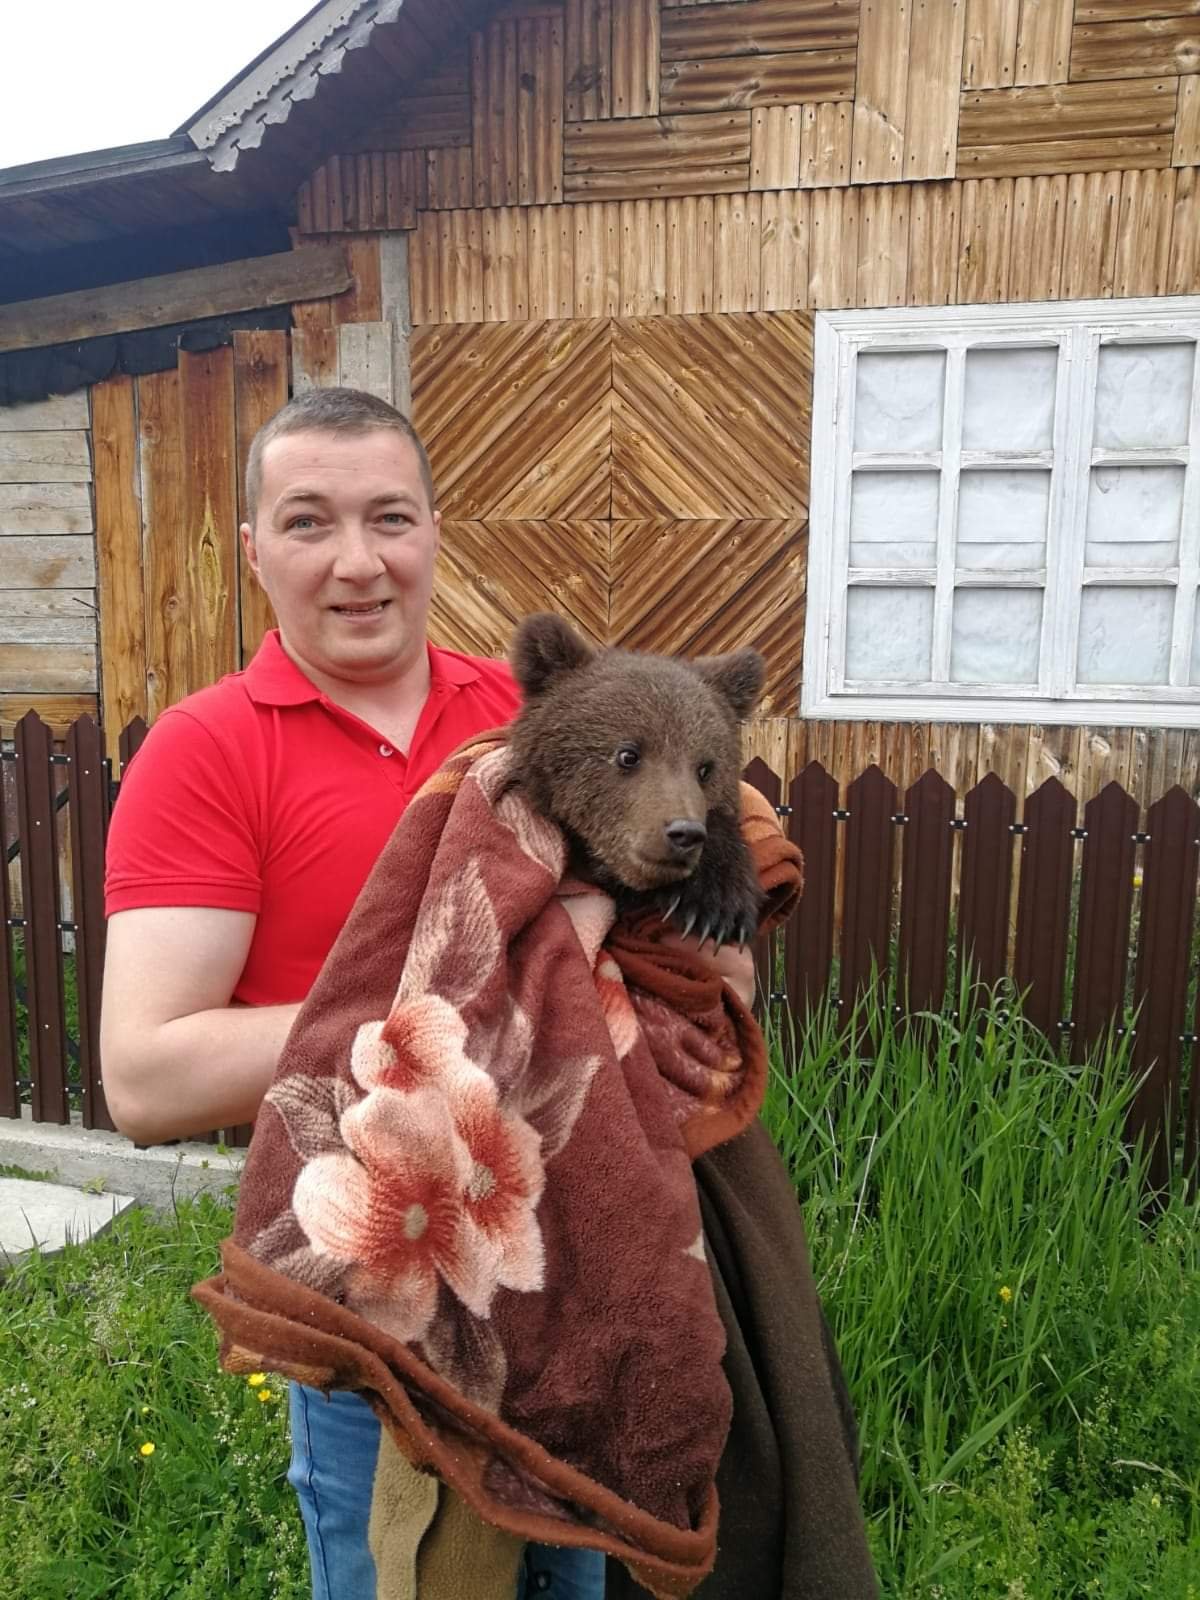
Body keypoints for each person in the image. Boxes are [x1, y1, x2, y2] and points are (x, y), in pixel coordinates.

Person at [100, 386, 755, 1600]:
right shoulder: (207, 751)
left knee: (579, 1583)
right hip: (387, 1297)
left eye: (389, 517)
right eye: (308, 521)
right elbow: (146, 1076)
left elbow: (709, 936)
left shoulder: (546, 713)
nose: (357, 560)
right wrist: (458, 1012)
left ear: (434, 532)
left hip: (578, 1287)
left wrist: (709, 915)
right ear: (253, 548)